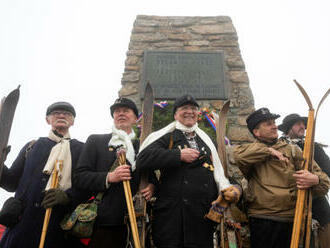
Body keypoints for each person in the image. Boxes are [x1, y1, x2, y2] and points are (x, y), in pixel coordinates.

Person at [136, 94, 241, 248]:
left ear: (198, 114)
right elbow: (143, 159)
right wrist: (178, 155)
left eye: (193, 108)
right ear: (175, 114)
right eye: (184, 108)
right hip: (172, 219)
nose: (189, 111)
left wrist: (234, 188)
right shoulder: (167, 136)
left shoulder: (207, 140)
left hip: (201, 218)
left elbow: (218, 171)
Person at [233, 108, 330, 248]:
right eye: (268, 123)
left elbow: (325, 182)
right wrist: (269, 151)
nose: (274, 126)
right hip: (262, 219)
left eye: (274, 122)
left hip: (292, 219)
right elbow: (238, 156)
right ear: (256, 132)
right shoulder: (249, 151)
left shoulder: (292, 150)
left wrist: (315, 179)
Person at [0, 102, 84, 248]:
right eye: (56, 113)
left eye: (67, 114)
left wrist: (67, 197)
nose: (62, 115)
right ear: (47, 119)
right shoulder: (32, 146)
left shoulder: (81, 149)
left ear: (73, 121)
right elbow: (11, 182)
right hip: (22, 226)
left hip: (58, 228)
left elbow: (86, 185)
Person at [73, 97, 154, 248]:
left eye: (126, 111)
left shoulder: (143, 146)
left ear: (136, 119)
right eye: (117, 111)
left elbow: (153, 179)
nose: (121, 114)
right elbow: (80, 177)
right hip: (104, 223)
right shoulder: (96, 141)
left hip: (137, 221)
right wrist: (109, 177)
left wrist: (152, 187)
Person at [278, 113, 330, 248]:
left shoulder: (313, 147)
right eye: (298, 124)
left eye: (303, 124)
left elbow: (328, 172)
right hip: (287, 206)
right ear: (288, 128)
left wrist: (316, 179)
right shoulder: (278, 147)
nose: (303, 126)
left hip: (316, 205)